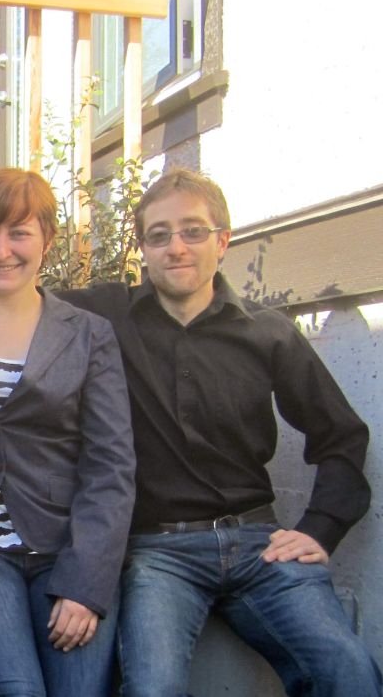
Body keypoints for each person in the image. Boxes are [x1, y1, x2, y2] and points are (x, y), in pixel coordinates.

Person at [59, 169, 380, 697]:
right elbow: (11, 293)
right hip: (158, 550)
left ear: (223, 241)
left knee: (345, 668)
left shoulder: (267, 332)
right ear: (143, 248)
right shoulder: (107, 314)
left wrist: (320, 528)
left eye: (192, 231)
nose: (175, 247)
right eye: (158, 235)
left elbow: (341, 435)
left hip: (259, 544)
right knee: (152, 688)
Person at [0, 168, 135, 697]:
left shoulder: (88, 333)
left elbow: (110, 466)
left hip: (66, 547)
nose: (1, 250)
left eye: (19, 232)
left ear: (47, 241)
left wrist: (85, 585)